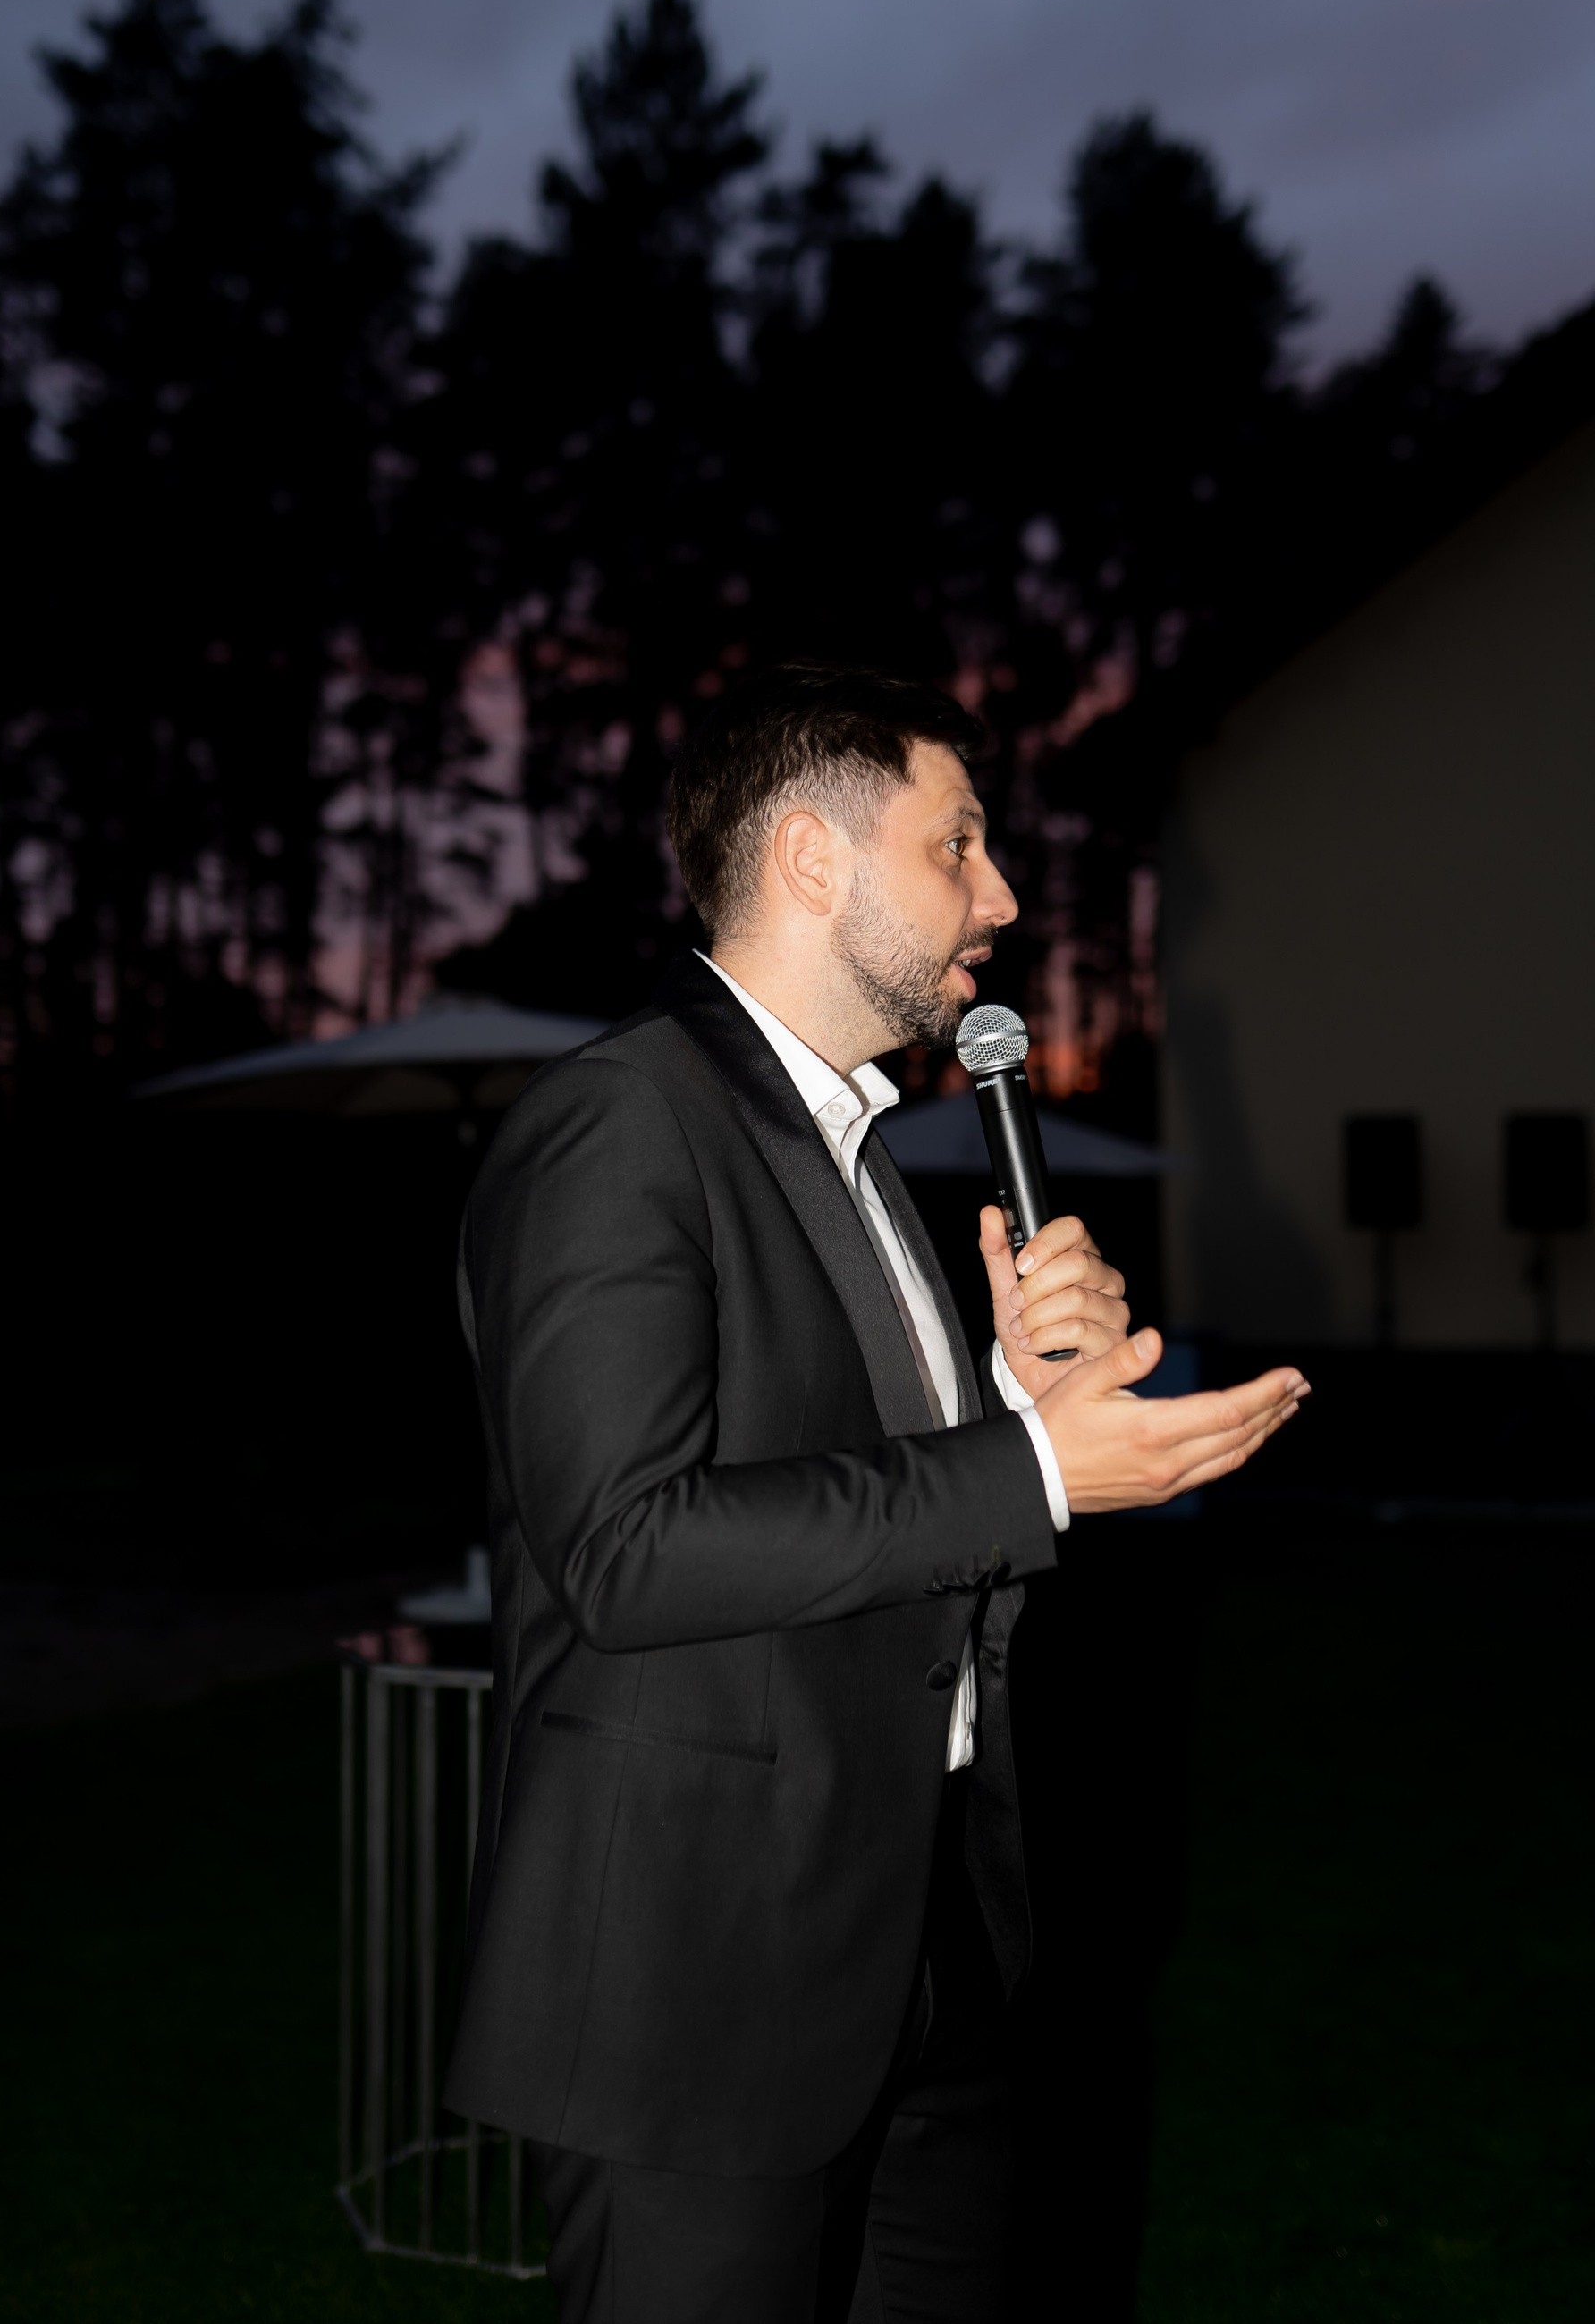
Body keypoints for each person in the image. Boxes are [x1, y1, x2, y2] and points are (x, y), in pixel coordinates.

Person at [444, 663, 1305, 2321]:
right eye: (958, 843)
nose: (1002, 896)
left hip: (927, 1933)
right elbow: (627, 1548)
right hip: (704, 1972)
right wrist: (1036, 1469)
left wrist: (1013, 1398)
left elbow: (843, 1467)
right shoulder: (620, 1123)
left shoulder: (851, 1145)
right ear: (811, 862)